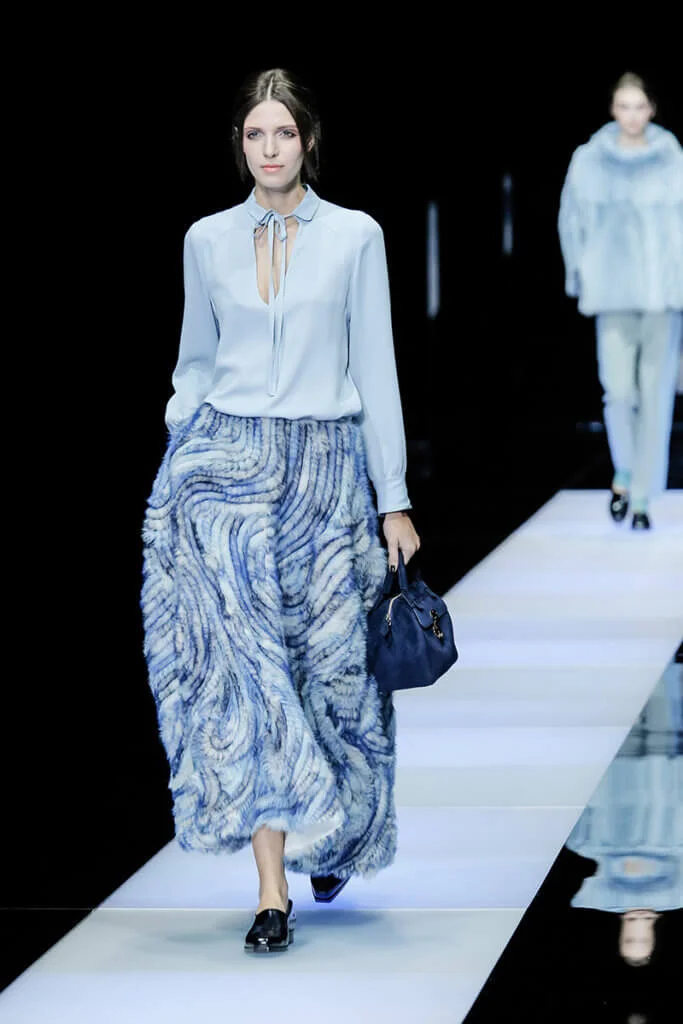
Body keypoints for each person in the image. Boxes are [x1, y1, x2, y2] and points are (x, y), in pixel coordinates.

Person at [141, 68, 420, 954]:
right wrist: (182, 446)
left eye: (284, 134)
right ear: (239, 144)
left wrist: (393, 497)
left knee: (332, 675)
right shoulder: (205, 240)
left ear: (308, 141)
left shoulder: (355, 237)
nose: (270, 149)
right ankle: (271, 893)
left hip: (325, 475)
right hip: (227, 475)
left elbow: (375, 368)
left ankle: (333, 835)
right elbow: (195, 361)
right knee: (250, 677)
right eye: (255, 134)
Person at [558, 72, 683, 530]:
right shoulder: (589, 161)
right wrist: (579, 272)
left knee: (655, 397)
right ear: (613, 110)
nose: (632, 116)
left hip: (663, 294)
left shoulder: (672, 159)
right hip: (611, 292)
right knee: (618, 393)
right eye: (624, 106)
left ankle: (643, 498)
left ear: (652, 110)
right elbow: (570, 220)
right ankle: (625, 473)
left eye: (640, 106)